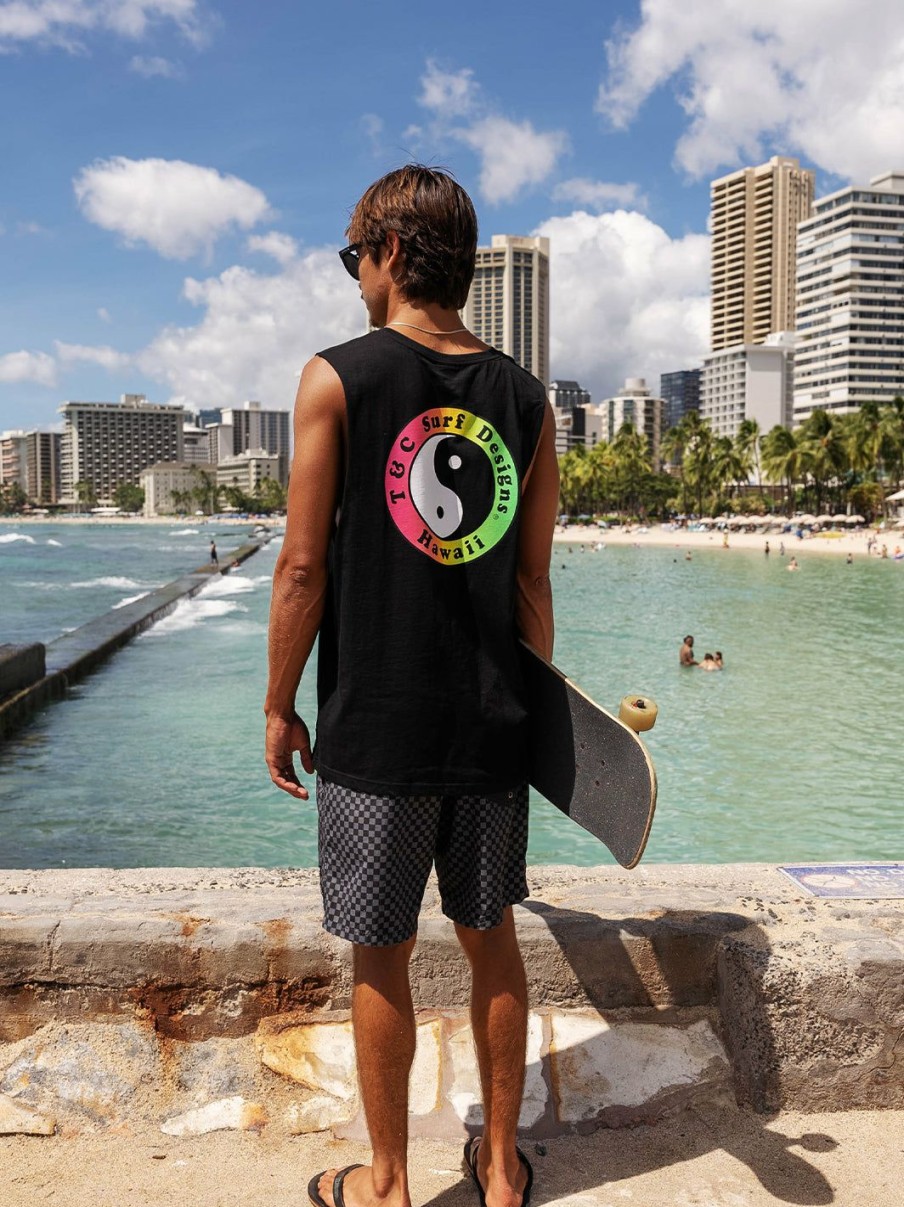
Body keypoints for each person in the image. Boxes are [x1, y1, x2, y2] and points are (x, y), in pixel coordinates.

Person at [264, 166, 557, 1207]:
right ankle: (497, 1171)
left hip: (376, 730)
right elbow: (529, 579)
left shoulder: (335, 377)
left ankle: (386, 1185)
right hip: (491, 725)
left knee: (379, 955)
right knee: (492, 942)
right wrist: (545, 718)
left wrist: (275, 703)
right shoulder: (527, 401)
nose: (351, 276)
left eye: (353, 254)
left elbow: (302, 567)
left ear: (390, 249)